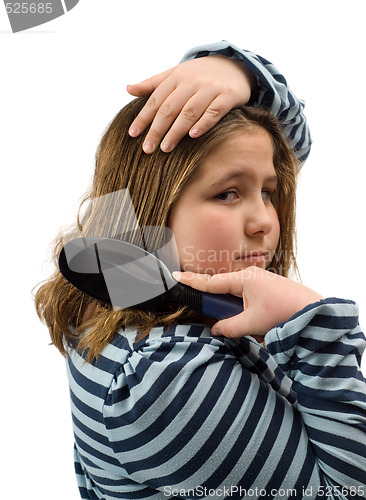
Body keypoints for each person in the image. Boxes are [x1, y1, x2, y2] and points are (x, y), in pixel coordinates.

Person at [35, 47, 366, 498]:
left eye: (267, 192)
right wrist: (315, 327)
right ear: (154, 204)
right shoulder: (167, 381)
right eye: (228, 193)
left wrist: (235, 72)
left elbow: (290, 141)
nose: (265, 221)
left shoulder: (134, 294)